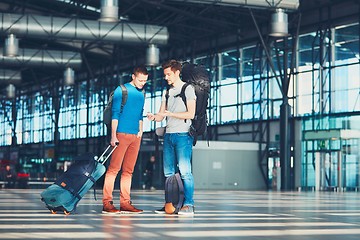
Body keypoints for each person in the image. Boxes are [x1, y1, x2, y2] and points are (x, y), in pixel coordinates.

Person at [146, 59, 196, 215]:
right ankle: (170, 204)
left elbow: (191, 114)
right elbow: (161, 116)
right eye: (165, 75)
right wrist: (154, 117)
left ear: (177, 72)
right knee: (168, 172)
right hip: (168, 135)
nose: (166, 77)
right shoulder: (166, 92)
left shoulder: (188, 89)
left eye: (168, 74)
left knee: (185, 171)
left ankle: (188, 205)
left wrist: (171, 114)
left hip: (183, 135)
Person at [102, 65, 148, 214]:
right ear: (133, 77)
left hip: (136, 136)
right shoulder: (121, 90)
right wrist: (113, 136)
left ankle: (125, 202)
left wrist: (140, 130)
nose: (142, 83)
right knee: (113, 169)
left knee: (128, 171)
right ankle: (107, 202)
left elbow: (140, 113)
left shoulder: (142, 93)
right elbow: (115, 114)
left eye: (145, 81)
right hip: (120, 134)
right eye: (140, 80)